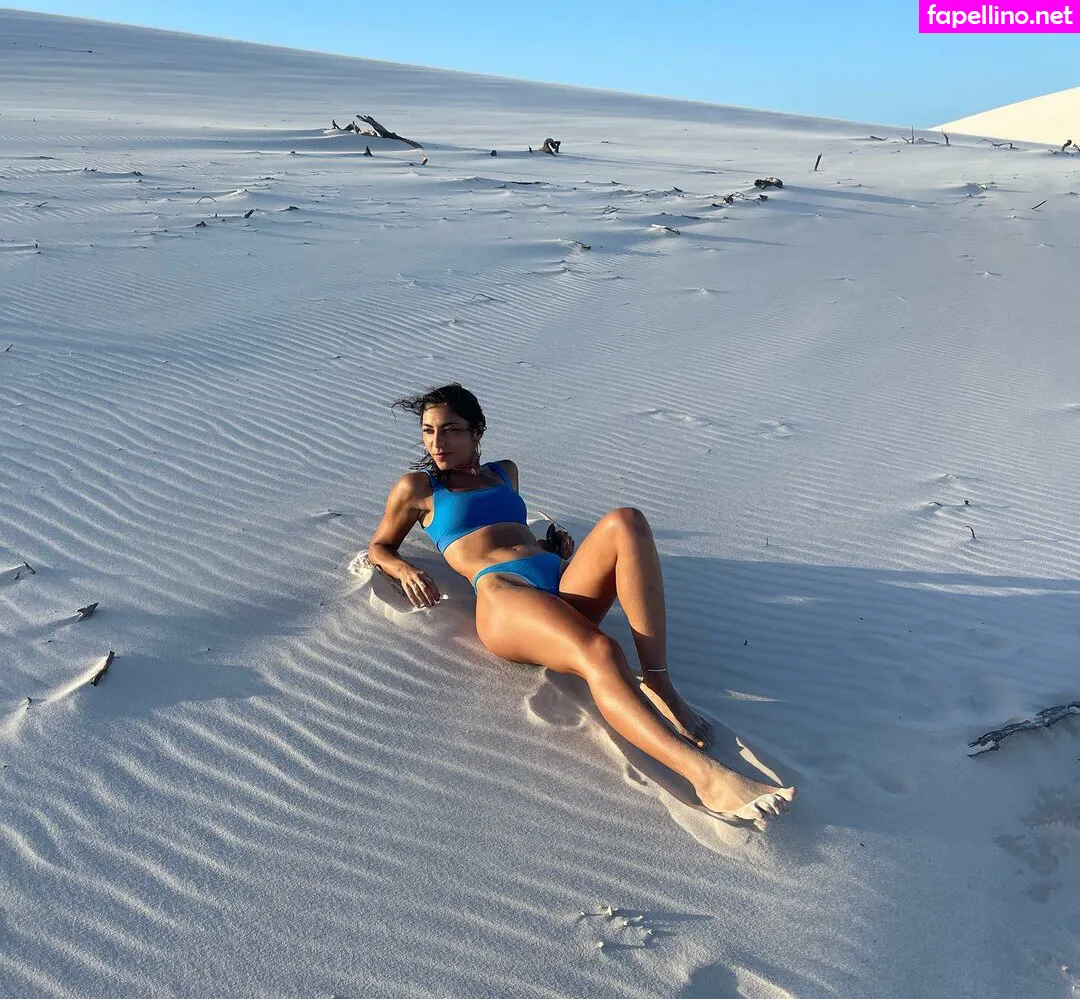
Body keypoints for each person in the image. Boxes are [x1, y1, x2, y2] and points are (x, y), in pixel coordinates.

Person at [367, 383, 796, 824]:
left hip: (555, 578)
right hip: (504, 596)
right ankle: (706, 778)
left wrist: (549, 547)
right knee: (602, 650)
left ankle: (658, 682)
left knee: (626, 521)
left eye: (450, 430)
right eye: (428, 431)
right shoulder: (419, 488)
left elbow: (511, 531)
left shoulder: (505, 473)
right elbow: (380, 546)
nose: (437, 443)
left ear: (477, 431)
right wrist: (404, 570)